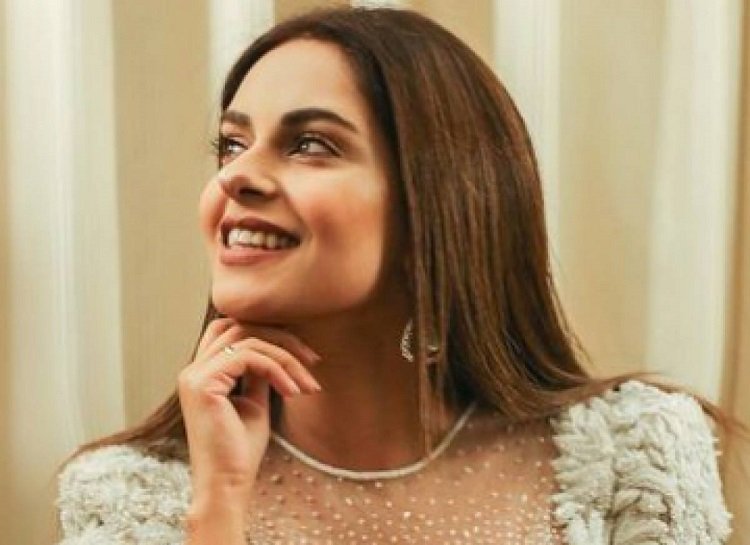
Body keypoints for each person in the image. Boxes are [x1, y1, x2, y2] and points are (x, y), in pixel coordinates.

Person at [56, 6, 734, 545]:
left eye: (310, 144)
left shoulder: (633, 455)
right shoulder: (127, 498)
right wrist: (219, 507)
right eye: (232, 144)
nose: (236, 176)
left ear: (436, 205)